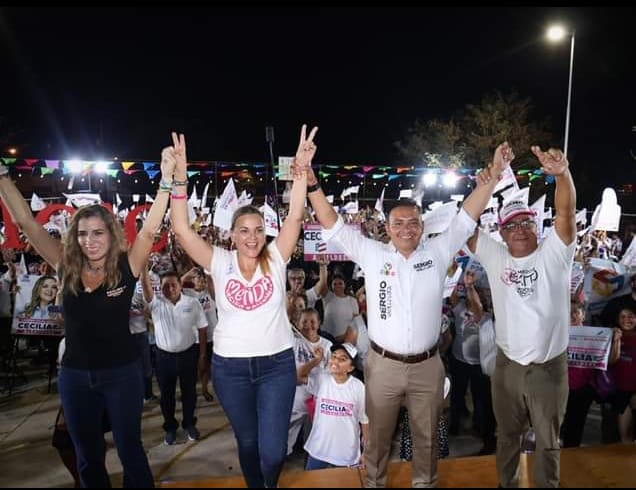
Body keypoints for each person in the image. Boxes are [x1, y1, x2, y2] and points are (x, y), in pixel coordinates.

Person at [305, 138, 511, 487]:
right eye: (398, 223)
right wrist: (311, 181)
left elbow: (468, 215)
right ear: (386, 227)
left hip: (428, 367)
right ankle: (373, 483)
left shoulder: (438, 250)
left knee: (427, 441)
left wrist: (493, 176)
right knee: (378, 441)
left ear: (422, 225)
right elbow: (331, 222)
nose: (406, 229)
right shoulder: (371, 253)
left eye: (412, 222)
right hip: (383, 366)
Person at [0, 139, 175, 487]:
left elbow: (150, 228)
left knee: (130, 451)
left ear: (111, 235)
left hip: (123, 374)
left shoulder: (128, 267)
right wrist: (3, 174)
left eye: (97, 233)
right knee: (88, 457)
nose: (89, 240)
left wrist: (167, 179)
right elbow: (28, 223)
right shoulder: (63, 265)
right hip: (76, 378)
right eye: (82, 234)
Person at [169, 126, 317, 488]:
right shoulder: (219, 261)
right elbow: (182, 230)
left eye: (258, 229)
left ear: (265, 233)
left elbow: (296, 216)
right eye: (244, 230)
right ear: (232, 235)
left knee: (273, 452)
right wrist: (178, 181)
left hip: (276, 366)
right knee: (248, 443)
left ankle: (267, 482)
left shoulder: (277, 258)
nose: (252, 236)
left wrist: (300, 172)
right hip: (230, 369)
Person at [467, 146, 577, 488]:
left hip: (548, 368)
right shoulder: (495, 255)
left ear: (536, 225)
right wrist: (489, 181)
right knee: (506, 437)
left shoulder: (556, 253)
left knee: (547, 443)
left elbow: (566, 212)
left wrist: (562, 174)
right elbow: (464, 224)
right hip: (507, 367)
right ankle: (507, 484)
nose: (518, 229)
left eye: (526, 222)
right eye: (511, 224)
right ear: (500, 231)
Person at [141, 268, 207, 445]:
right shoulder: (156, 303)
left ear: (180, 285)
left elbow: (202, 328)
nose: (169, 289)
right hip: (164, 358)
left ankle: (188, 424)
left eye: (173, 284)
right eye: (165, 286)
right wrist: (142, 266)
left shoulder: (192, 303)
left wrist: (201, 355)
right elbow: (146, 286)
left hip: (188, 355)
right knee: (166, 396)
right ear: (160, 288)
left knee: (190, 393)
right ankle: (170, 427)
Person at [303, 342, 368, 470]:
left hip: (346, 453)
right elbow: (299, 376)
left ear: (350, 368)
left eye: (342, 359)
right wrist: (316, 361)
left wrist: (367, 451)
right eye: (334, 356)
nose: (335, 361)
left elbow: (365, 421)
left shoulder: (358, 387)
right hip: (318, 449)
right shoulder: (322, 379)